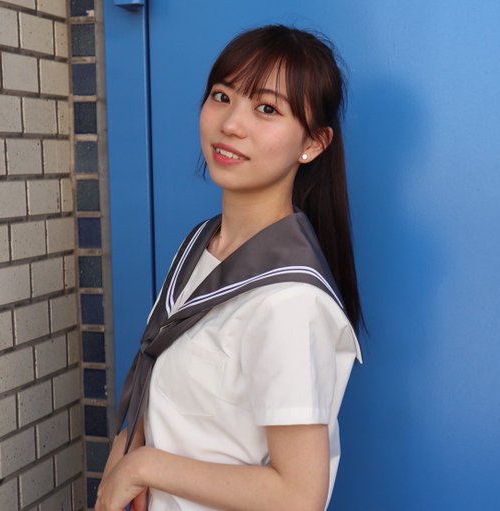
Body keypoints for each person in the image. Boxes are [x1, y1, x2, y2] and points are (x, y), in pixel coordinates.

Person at [95, 24, 364, 511]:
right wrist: (125, 452)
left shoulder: (290, 300)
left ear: (313, 143)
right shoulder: (202, 244)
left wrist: (142, 467)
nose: (232, 124)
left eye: (267, 109)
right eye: (222, 96)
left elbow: (299, 496)